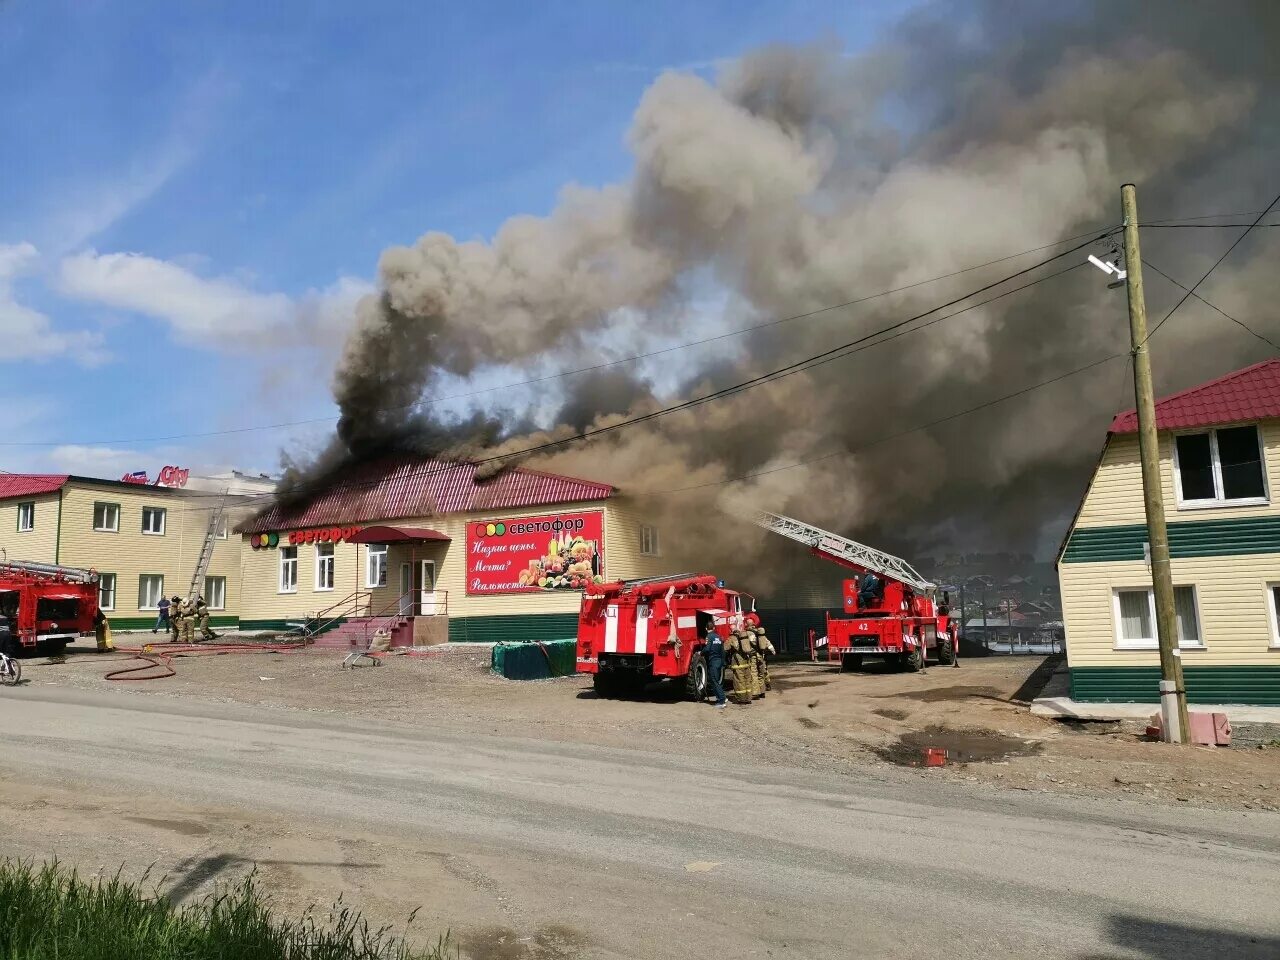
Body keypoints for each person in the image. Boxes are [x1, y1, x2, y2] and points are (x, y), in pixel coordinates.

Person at [702, 621, 727, 709]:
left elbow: (707, 649)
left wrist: (701, 653)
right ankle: (722, 697)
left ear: (706, 629)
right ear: (713, 628)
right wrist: (723, 663)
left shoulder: (709, 636)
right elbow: (722, 651)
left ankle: (722, 701)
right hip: (719, 661)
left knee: (714, 681)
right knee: (714, 680)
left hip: (713, 661)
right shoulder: (718, 637)